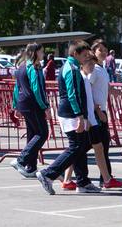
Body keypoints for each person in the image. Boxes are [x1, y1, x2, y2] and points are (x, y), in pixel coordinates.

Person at [36, 41, 95, 195]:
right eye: (84, 55)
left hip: (72, 112)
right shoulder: (72, 69)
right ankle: (48, 173)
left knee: (81, 146)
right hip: (71, 113)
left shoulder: (72, 67)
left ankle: (83, 182)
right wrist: (80, 117)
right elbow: (72, 94)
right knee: (76, 146)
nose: (86, 59)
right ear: (75, 54)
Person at [84, 40, 122, 190]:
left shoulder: (102, 68)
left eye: (105, 49)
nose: (103, 51)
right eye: (99, 49)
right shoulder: (94, 69)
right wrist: (98, 110)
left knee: (100, 145)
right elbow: (88, 88)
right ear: (93, 52)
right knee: (96, 145)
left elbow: (107, 87)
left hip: (100, 111)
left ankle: (105, 178)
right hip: (96, 112)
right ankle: (105, 178)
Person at [11, 42, 49, 178]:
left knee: (32, 135)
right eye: (41, 51)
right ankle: (21, 160)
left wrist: (15, 105)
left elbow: (17, 88)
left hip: (24, 103)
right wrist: (45, 106)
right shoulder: (34, 68)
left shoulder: (21, 67)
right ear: (35, 53)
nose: (43, 54)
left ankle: (30, 167)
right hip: (33, 104)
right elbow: (37, 89)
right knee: (43, 133)